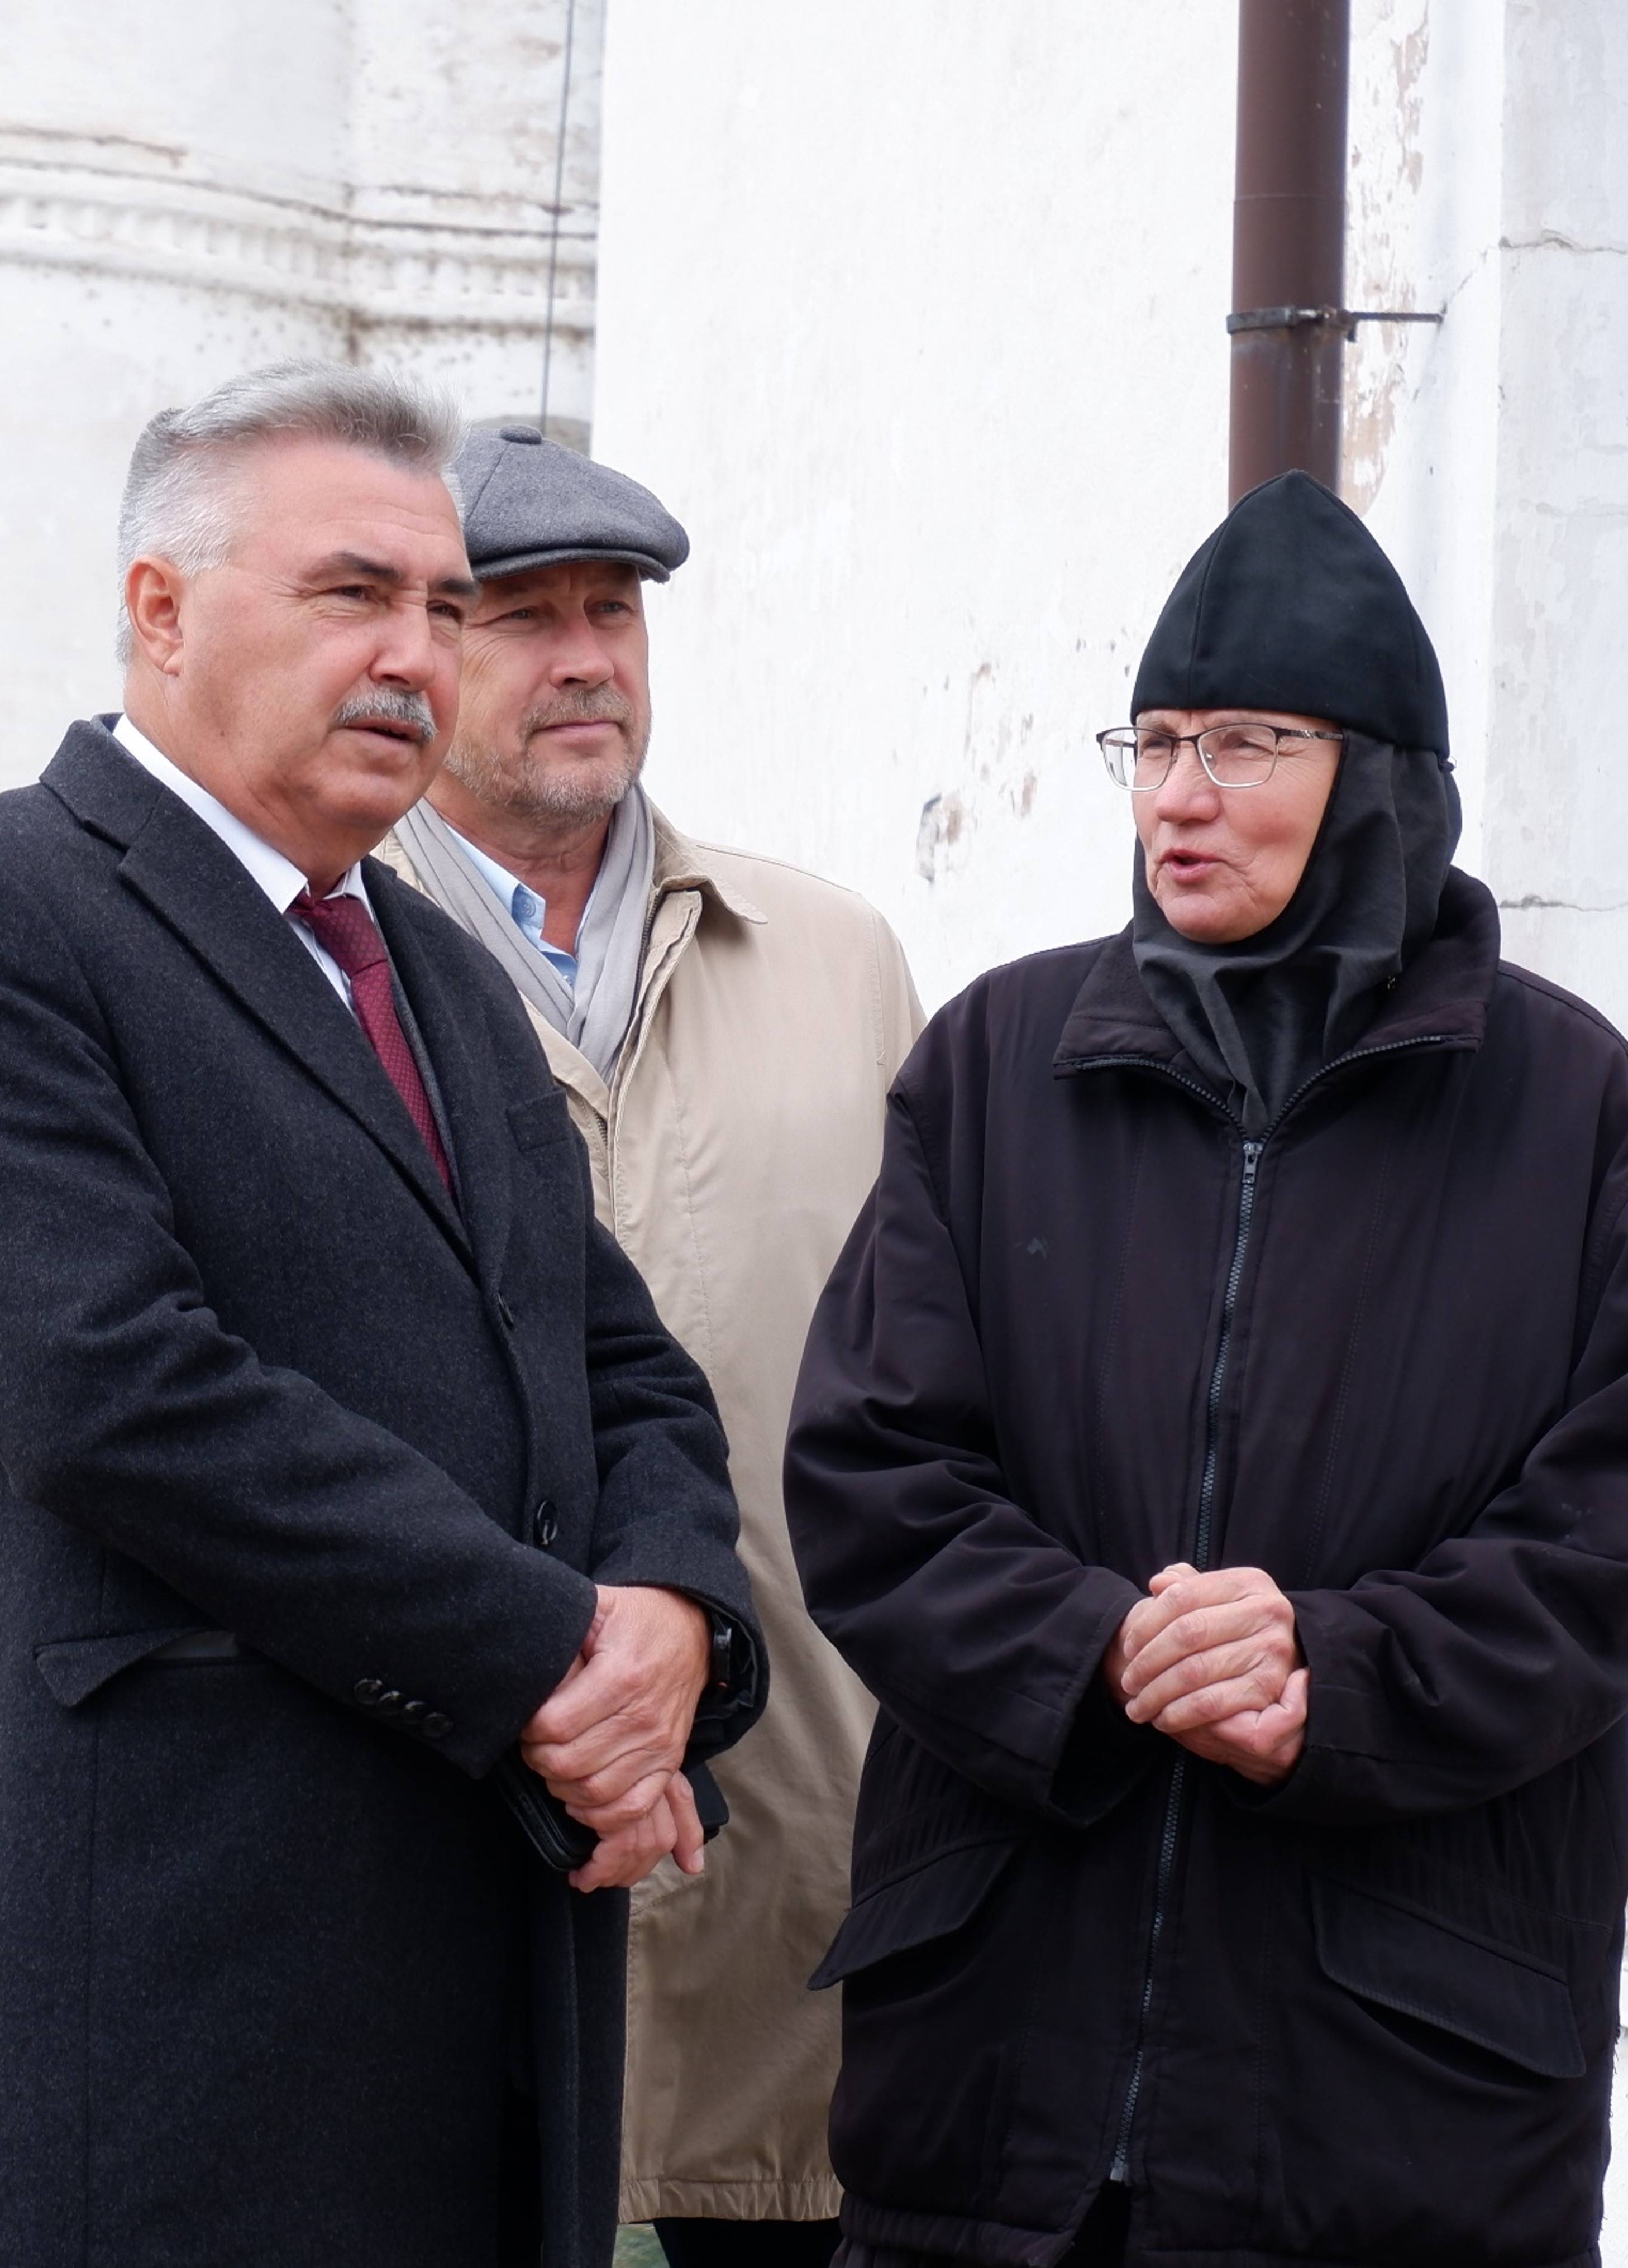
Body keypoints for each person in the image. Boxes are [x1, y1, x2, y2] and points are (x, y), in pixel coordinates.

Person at [0, 361, 762, 2268]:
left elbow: (612, 1361)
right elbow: (110, 1390)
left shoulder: (433, 966)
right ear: (159, 610)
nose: (415, 653)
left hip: (491, 1991)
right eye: (353, 593)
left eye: (442, 605)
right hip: (183, 2015)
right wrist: (553, 1656)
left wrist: (673, 1615)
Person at [784, 471, 1628, 2267]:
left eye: (1243, 743)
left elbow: (1616, 1542)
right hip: (997, 2091)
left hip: (1390, 2108)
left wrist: (1328, 1671)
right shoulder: (994, 1067)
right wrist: (1098, 1648)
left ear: (1378, 782)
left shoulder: (1580, 1119)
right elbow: (870, 1475)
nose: (1178, 795)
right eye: (1151, 745)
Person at [376, 426, 919, 2267]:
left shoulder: (834, 960)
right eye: (522, 619)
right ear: (418, 651)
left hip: (800, 1829)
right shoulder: (317, 968)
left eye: (611, 614)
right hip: (456, 1808)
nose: (585, 659)